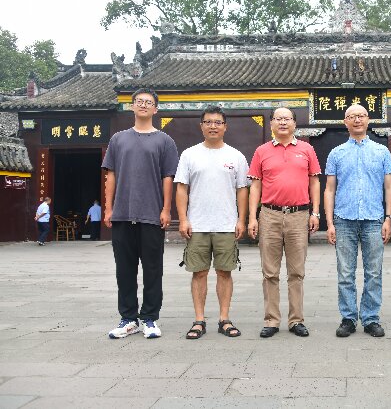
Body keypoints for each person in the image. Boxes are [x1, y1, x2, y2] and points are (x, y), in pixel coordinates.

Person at [102, 88, 179, 339]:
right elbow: (110, 174)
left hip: (151, 216)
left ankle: (149, 318)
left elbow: (168, 177)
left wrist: (166, 209)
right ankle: (128, 318)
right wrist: (109, 208)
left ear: (155, 109)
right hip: (123, 214)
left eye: (148, 102)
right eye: (139, 101)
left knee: (153, 270)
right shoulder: (118, 139)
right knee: (124, 270)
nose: (143, 105)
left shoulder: (165, 141)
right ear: (132, 106)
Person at [175, 105, 249, 340]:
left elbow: (242, 190)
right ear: (201, 126)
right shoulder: (189, 154)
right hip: (197, 225)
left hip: (226, 224)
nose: (213, 126)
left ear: (225, 127)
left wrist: (241, 219)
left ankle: (224, 319)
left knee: (225, 272)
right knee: (199, 273)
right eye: (208, 122)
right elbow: (182, 188)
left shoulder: (236, 156)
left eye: (218, 122)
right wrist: (183, 219)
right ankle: (199, 320)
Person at [247, 107, 321, 338]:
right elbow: (255, 185)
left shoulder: (306, 149)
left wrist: (315, 213)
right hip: (270, 214)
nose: (282, 122)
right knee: (270, 272)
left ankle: (296, 320)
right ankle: (271, 320)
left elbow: (314, 182)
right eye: (278, 119)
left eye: (287, 119)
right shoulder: (262, 151)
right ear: (271, 123)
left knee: (296, 271)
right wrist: (252, 217)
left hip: (299, 215)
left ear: (294, 124)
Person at [324, 104, 391, 338]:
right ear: (345, 122)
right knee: (345, 273)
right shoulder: (336, 153)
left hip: (374, 219)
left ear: (368, 120)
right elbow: (329, 189)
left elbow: (389, 186)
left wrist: (388, 218)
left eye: (361, 116)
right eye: (352, 116)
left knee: (374, 272)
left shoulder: (381, 151)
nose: (357, 120)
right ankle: (348, 318)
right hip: (344, 219)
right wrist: (330, 223)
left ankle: (371, 318)